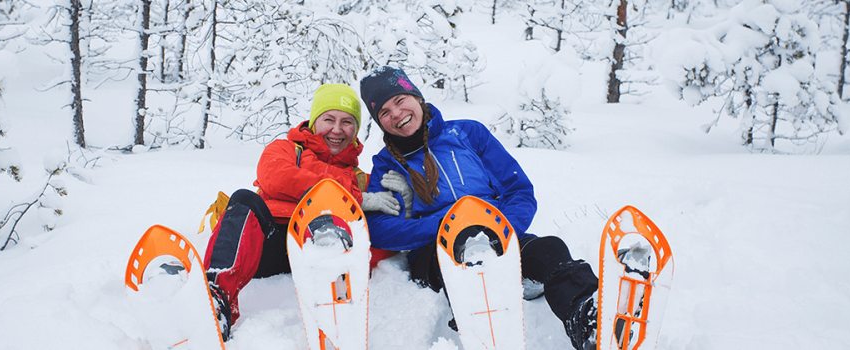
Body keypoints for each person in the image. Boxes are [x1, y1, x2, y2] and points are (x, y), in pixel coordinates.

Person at [359, 66, 600, 350]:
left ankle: (590, 320)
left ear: (417, 97)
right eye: (384, 112)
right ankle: (484, 333)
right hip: (437, 252)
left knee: (550, 250)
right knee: (469, 268)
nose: (396, 114)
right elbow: (378, 228)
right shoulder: (387, 163)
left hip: (498, 235)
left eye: (399, 101)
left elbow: (518, 191)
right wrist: (448, 227)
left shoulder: (467, 133)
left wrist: (498, 230)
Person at [202, 83, 399, 340]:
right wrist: (352, 197)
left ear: (356, 130)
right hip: (269, 243)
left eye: (347, 122)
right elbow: (276, 177)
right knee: (243, 199)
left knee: (337, 226)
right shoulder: (286, 150)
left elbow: (383, 225)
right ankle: (215, 299)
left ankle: (337, 319)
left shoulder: (360, 179)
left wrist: (403, 193)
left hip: (318, 253)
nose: (337, 130)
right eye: (329, 119)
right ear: (314, 121)